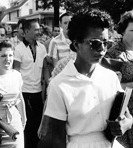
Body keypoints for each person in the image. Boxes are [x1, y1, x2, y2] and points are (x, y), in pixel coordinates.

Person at [38, 8, 133, 148]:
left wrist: (124, 124)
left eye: (106, 43)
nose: (102, 49)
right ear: (76, 44)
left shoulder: (111, 77)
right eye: (95, 43)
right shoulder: (59, 85)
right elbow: (56, 139)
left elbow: (128, 117)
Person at [13, 19, 47, 148]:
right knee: (27, 126)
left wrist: (48, 85)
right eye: (36, 29)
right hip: (24, 93)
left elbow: (44, 68)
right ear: (27, 31)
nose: (39, 32)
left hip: (38, 93)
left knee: (38, 126)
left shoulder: (42, 47)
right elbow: (16, 72)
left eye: (39, 29)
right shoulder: (18, 49)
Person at [105, 10, 133, 148]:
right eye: (132, 30)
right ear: (122, 31)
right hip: (124, 112)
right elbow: (107, 87)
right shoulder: (113, 54)